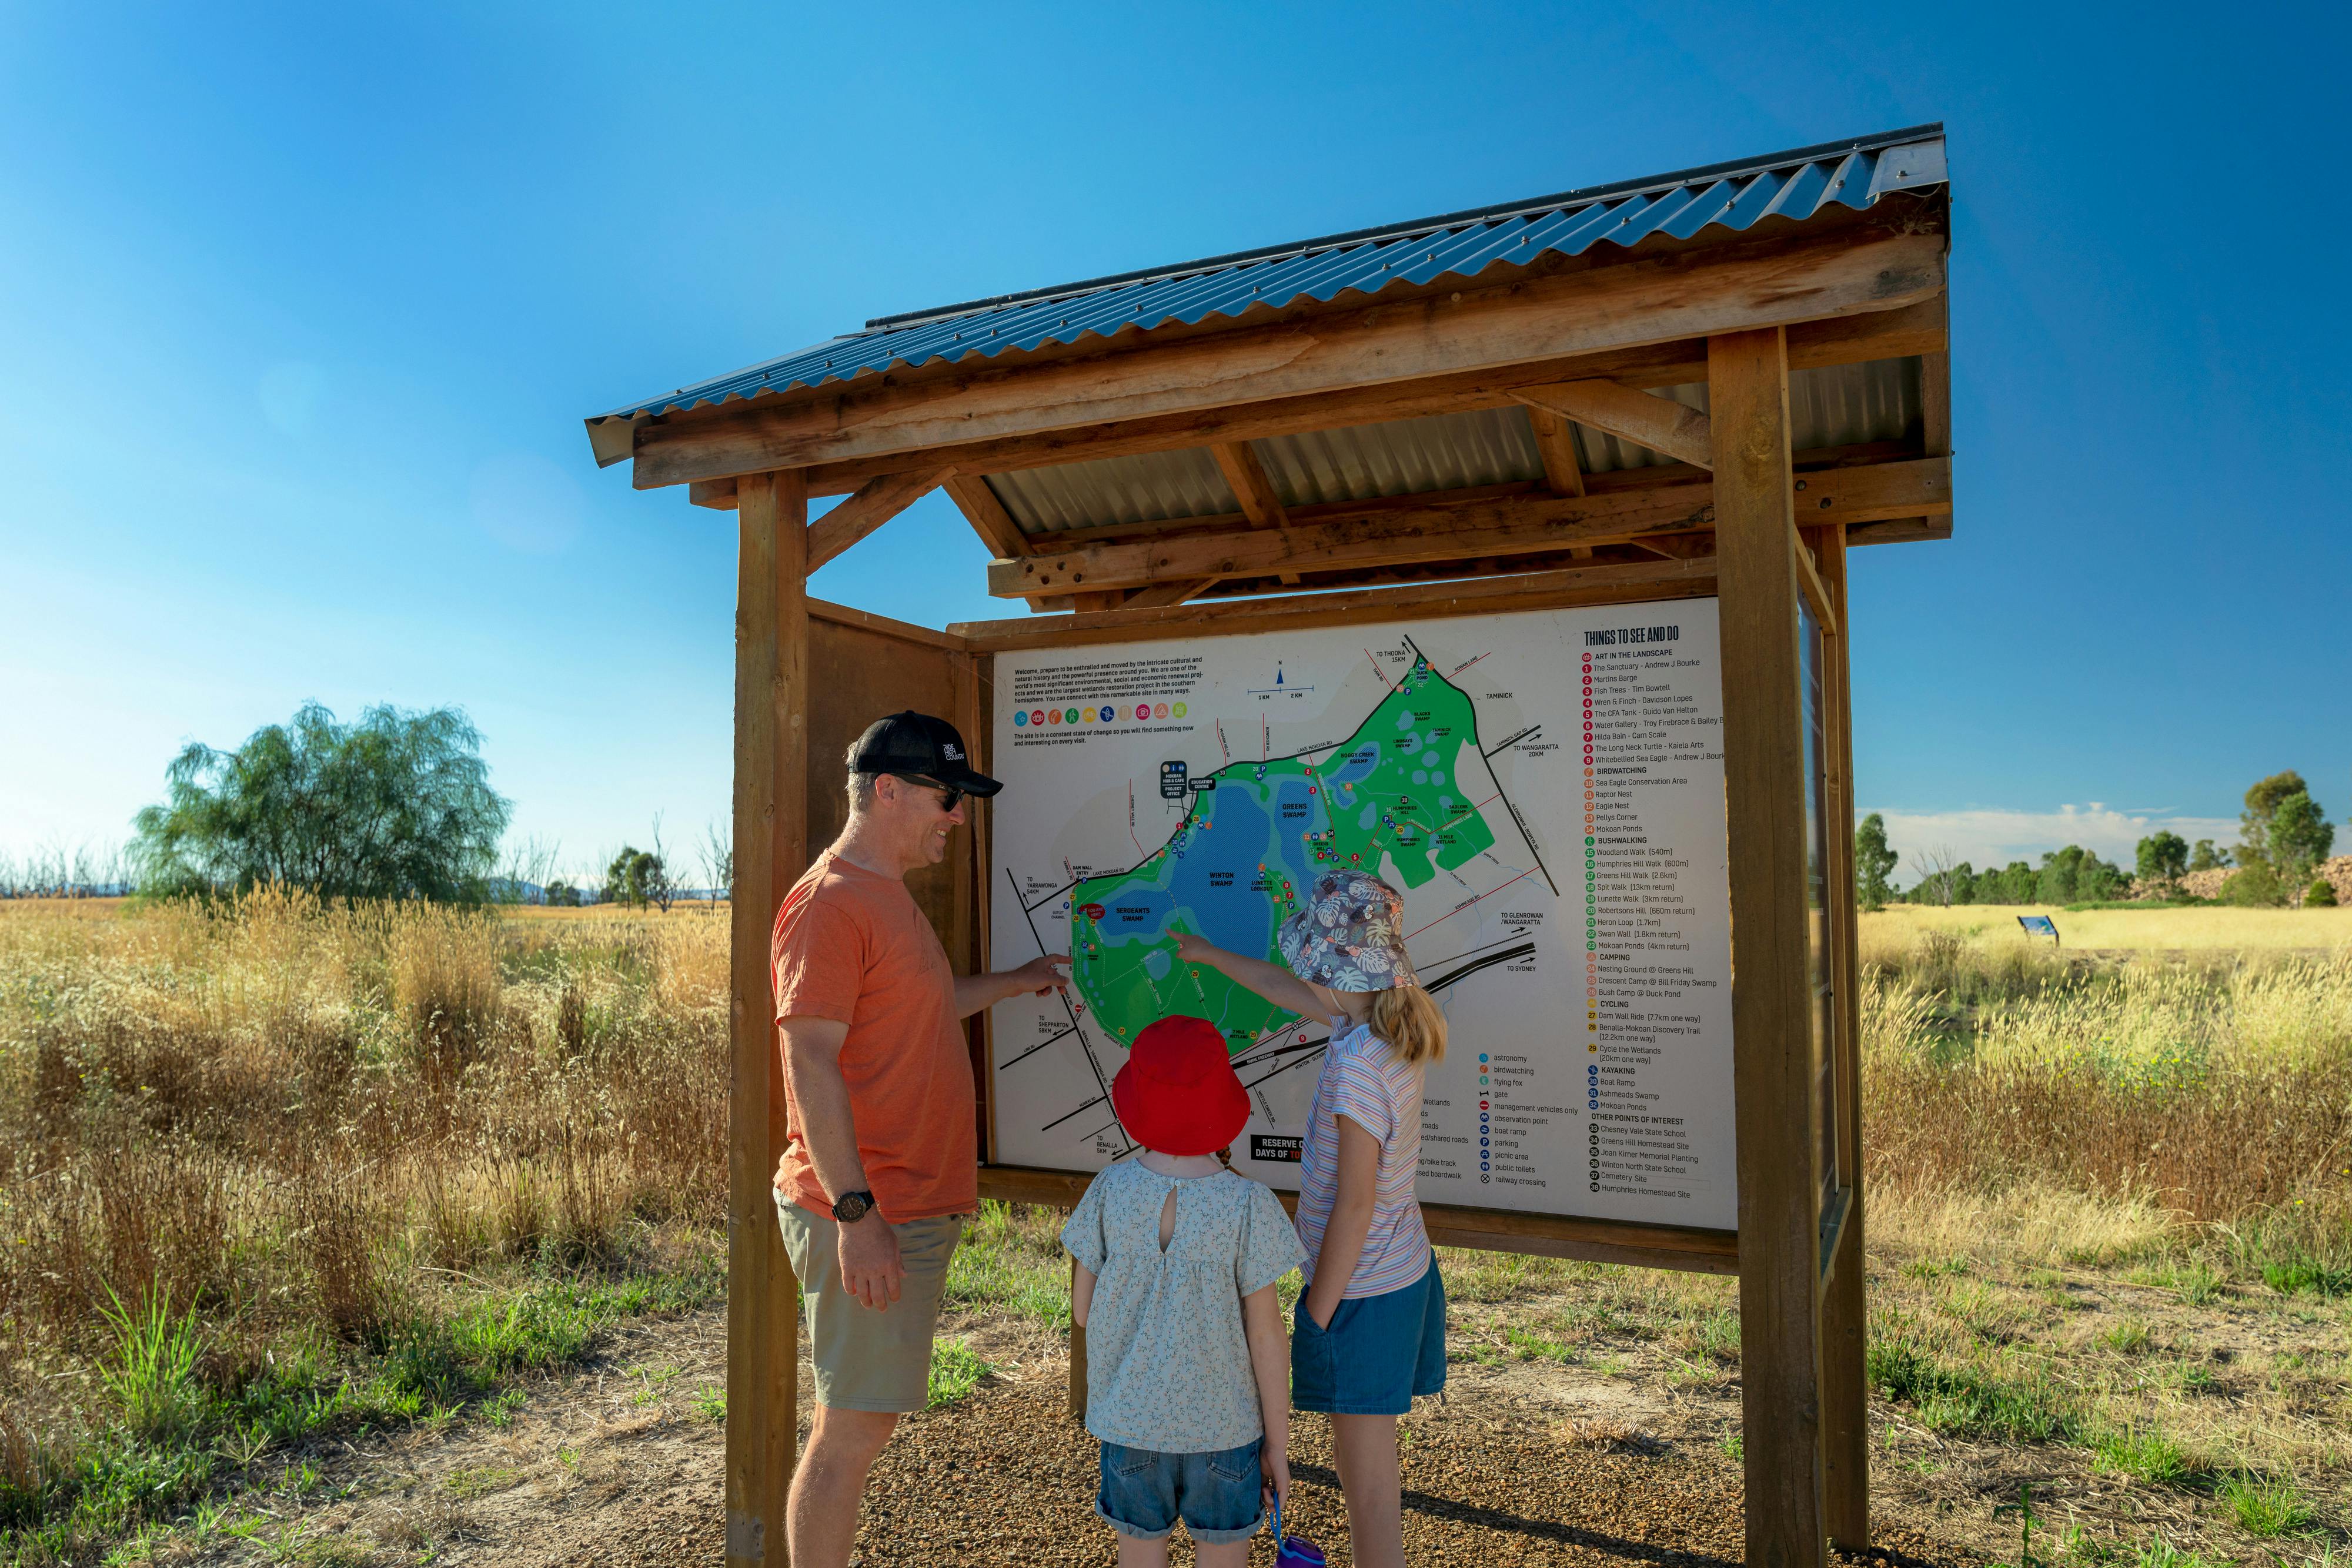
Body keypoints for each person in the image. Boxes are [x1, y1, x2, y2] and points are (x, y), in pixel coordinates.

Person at [771, 710, 1068, 1568]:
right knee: (849, 1433)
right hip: (871, 1207)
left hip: (897, 1203)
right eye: (948, 798)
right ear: (887, 790)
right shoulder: (830, 903)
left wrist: (1010, 985)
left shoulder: (882, 893)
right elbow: (810, 1061)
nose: (957, 818)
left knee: (860, 1424)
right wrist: (857, 1213)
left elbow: (911, 1011)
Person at [1175, 869, 1448, 1568]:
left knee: (1369, 1490)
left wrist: (1318, 1311)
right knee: (1372, 1467)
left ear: (1336, 971)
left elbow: (1354, 1203)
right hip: (1402, 1268)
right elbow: (1281, 988)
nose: (1304, 977)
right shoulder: (1379, 1025)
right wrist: (1208, 956)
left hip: (1357, 1292)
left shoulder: (1359, 1063)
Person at [1063, 1015, 1304, 1568]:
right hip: (1226, 1432)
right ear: (1221, 1107)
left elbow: (1082, 1311)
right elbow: (1268, 1335)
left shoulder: (1108, 1191)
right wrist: (1279, 1447)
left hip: (1130, 1426)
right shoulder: (1248, 1203)